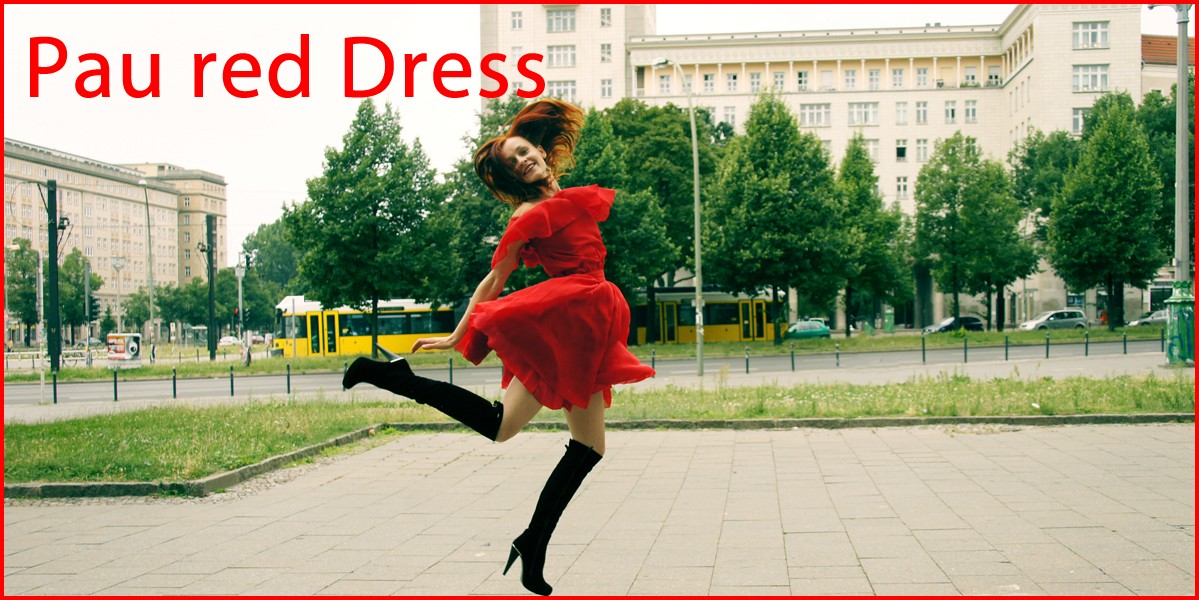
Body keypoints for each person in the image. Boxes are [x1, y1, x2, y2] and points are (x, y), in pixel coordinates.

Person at [342, 98, 655, 596]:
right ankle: (395, 378)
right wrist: (455, 335)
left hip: (588, 322)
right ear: (512, 177)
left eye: (525, 150)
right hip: (566, 321)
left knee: (565, 441)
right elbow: (495, 278)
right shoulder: (529, 215)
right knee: (531, 434)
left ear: (542, 150)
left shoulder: (569, 196)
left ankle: (533, 544)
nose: (523, 160)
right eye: (512, 162)